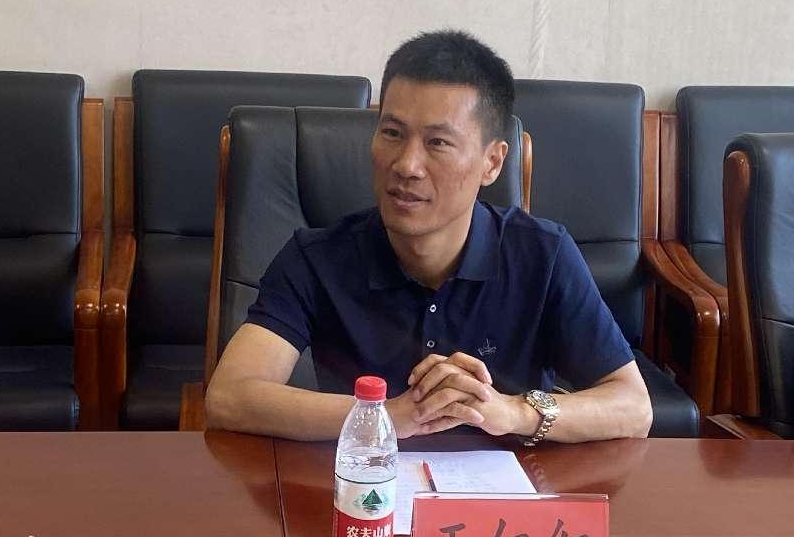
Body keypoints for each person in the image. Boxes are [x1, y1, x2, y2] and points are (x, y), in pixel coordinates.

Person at [206, 30, 652, 443]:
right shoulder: (316, 258)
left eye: (438, 142)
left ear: (492, 163)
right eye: (392, 133)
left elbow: (633, 407)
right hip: (364, 490)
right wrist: (386, 416)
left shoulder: (543, 254)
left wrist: (512, 412)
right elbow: (229, 396)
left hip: (506, 496)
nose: (406, 165)